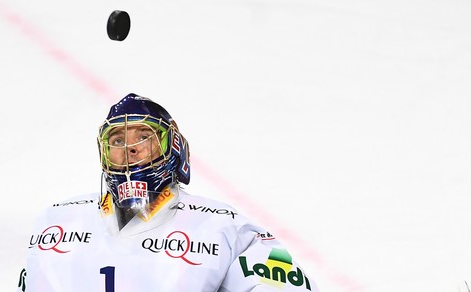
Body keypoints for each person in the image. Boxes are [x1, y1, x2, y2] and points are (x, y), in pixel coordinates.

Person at [17, 93, 319, 291]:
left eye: (144, 136)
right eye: (117, 140)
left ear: (172, 146)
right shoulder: (55, 223)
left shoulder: (227, 227)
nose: (129, 148)